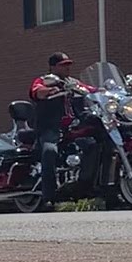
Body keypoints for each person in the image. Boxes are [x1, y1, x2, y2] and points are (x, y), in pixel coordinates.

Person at [28, 52, 88, 201]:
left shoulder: (72, 82)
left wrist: (103, 92)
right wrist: (49, 91)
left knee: (93, 144)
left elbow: (88, 89)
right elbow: (36, 91)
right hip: (51, 128)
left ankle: (86, 186)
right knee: (50, 151)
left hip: (73, 128)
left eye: (69, 65)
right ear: (52, 67)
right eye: (63, 65)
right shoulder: (44, 80)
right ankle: (49, 195)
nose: (67, 68)